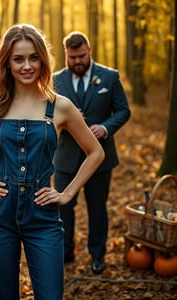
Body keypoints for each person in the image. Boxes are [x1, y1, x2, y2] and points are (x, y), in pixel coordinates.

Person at [0, 24, 104, 299]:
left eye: (33, 57)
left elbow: (96, 152)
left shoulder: (60, 106)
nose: (27, 66)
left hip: (42, 216)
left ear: (43, 60)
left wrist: (67, 193)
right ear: (7, 62)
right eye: (18, 59)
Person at [53, 31, 130, 274]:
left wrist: (105, 128)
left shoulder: (109, 77)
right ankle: (66, 251)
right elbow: (43, 113)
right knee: (63, 207)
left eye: (82, 56)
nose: (77, 61)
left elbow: (123, 111)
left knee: (98, 208)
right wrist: (64, 119)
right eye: (72, 57)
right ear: (66, 54)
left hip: (99, 159)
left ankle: (98, 255)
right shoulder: (54, 80)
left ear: (90, 51)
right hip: (65, 158)